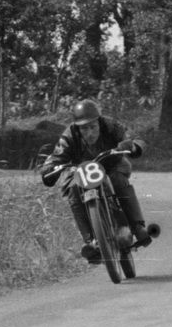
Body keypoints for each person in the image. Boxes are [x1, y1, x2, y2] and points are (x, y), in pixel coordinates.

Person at [40, 99, 151, 262]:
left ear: (99, 122)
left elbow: (134, 138)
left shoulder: (111, 126)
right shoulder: (69, 135)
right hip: (82, 171)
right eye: (84, 128)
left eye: (93, 127)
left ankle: (137, 226)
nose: (89, 132)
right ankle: (90, 242)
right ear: (77, 127)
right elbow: (57, 155)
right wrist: (50, 168)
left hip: (113, 165)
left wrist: (133, 145)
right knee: (73, 191)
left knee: (117, 180)